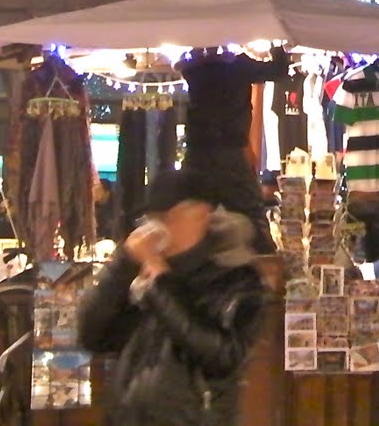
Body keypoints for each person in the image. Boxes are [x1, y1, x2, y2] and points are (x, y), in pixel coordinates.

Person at [77, 169, 269, 426]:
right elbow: (92, 335)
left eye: (168, 216)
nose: (158, 226)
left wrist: (160, 281)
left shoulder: (236, 279)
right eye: (152, 218)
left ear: (202, 214)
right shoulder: (142, 271)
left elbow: (222, 355)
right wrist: (123, 264)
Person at [176, 46, 290, 252]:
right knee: (251, 213)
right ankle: (267, 264)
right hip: (230, 154)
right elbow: (279, 71)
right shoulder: (239, 66)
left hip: (197, 153)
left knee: (192, 212)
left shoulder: (193, 69)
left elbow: (181, 65)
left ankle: (191, 263)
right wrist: (276, 46)